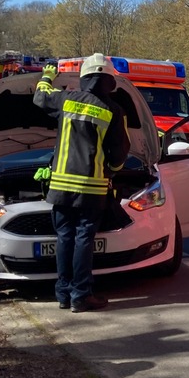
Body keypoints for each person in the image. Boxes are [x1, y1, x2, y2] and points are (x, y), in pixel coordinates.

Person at [33, 53, 131, 312]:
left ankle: (63, 295)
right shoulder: (113, 110)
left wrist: (47, 76)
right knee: (83, 239)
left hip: (61, 186)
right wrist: (111, 171)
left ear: (84, 77)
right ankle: (81, 295)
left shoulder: (66, 100)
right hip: (92, 187)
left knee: (64, 237)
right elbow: (119, 154)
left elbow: (40, 96)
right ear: (110, 81)